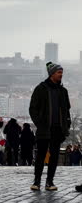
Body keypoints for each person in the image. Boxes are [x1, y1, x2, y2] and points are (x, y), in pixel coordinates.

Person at [29, 62, 71, 192]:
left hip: (58, 130)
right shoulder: (40, 89)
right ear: (52, 74)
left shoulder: (63, 91)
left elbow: (67, 111)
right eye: (59, 73)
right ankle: (37, 182)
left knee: (54, 157)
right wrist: (40, 124)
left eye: (61, 73)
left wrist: (66, 126)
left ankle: (50, 182)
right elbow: (32, 109)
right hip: (44, 129)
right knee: (41, 156)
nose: (61, 75)